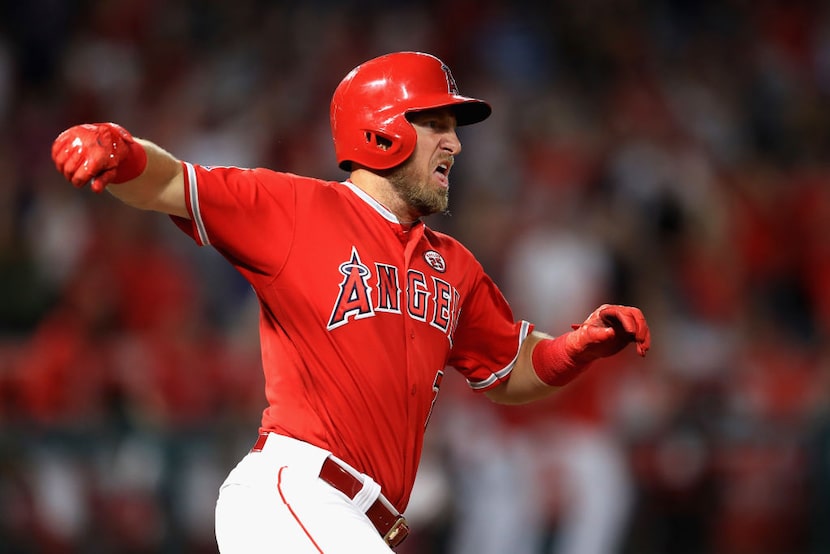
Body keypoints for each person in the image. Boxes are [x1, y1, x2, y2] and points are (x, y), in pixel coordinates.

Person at [50, 51, 651, 553]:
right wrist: (121, 151)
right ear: (383, 129)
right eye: (437, 124)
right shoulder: (295, 210)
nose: (455, 145)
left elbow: (511, 370)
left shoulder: (455, 266)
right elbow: (172, 182)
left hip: (361, 520)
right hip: (296, 494)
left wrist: (579, 347)